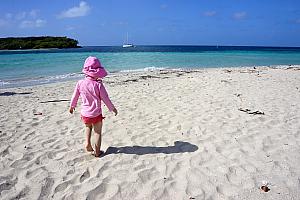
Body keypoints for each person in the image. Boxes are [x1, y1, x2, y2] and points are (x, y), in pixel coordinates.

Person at [69, 56, 118, 157]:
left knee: (88, 127)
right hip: (96, 113)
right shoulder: (98, 85)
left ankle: (87, 143)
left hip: (85, 113)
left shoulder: (80, 83)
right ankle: (97, 152)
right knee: (97, 132)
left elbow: (75, 96)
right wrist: (112, 108)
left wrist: (72, 106)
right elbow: (105, 98)